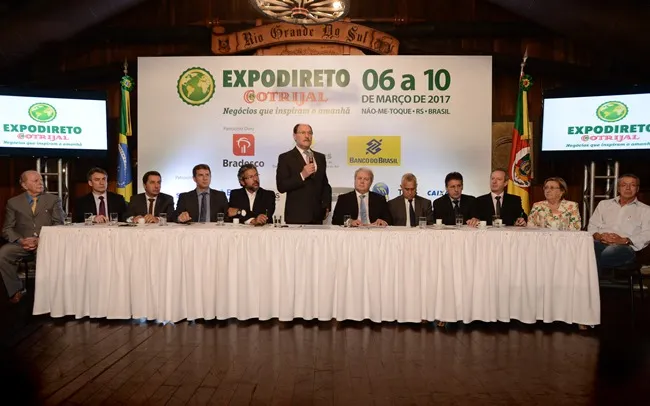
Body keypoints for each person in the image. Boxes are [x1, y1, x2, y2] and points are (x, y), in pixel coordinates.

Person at [1, 170, 64, 303]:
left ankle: (51, 294)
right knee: (3, 254)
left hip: (46, 242)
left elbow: (59, 225)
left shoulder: (53, 200)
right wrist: (21, 240)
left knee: (54, 254)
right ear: (24, 185)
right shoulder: (13, 202)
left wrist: (40, 240)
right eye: (35, 181)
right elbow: (7, 228)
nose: (40, 183)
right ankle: (15, 289)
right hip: (22, 243)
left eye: (41, 180)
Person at [588, 174, 650, 272]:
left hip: (626, 247)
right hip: (600, 242)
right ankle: (599, 277)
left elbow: (647, 234)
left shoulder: (646, 210)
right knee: (587, 249)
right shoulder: (603, 204)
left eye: (632, 185)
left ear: (637, 189)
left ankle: (592, 279)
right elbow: (592, 226)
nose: (628, 188)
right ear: (618, 188)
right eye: (624, 185)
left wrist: (624, 240)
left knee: (605, 254)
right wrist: (600, 236)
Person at [276, 123, 332, 224]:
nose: (307, 136)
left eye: (309, 133)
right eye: (303, 132)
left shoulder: (320, 157)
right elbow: (281, 186)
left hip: (317, 216)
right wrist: (302, 175)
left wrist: (326, 205)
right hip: (296, 216)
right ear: (294, 136)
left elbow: (325, 184)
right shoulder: (286, 158)